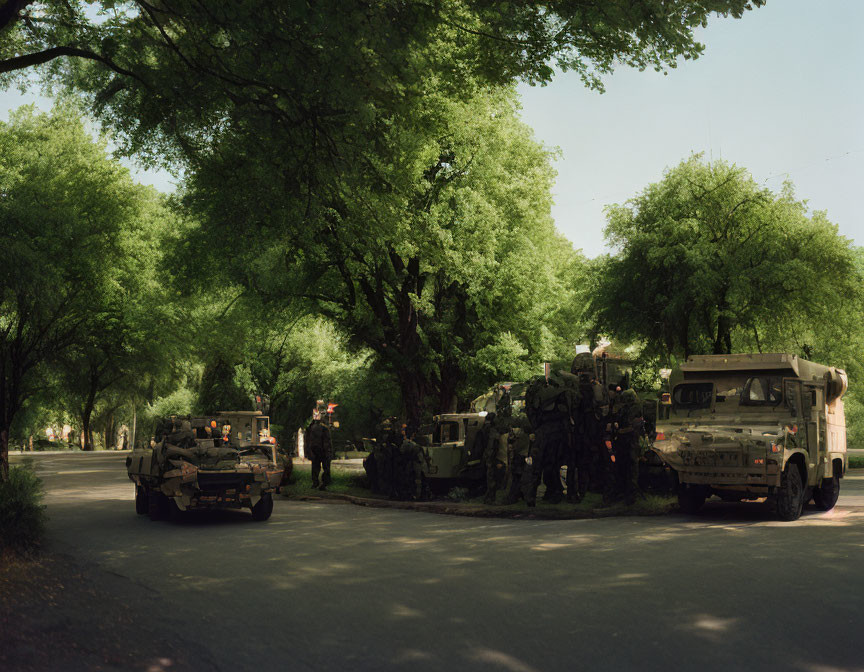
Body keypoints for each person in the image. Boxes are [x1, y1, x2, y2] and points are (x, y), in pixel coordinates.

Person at [306, 414, 333, 490]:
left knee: (315, 467)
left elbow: (308, 441)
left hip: (315, 450)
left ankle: (315, 483)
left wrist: (309, 451)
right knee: (326, 468)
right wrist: (328, 451)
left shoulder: (310, 428)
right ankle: (324, 484)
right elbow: (327, 441)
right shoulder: (325, 428)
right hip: (323, 450)